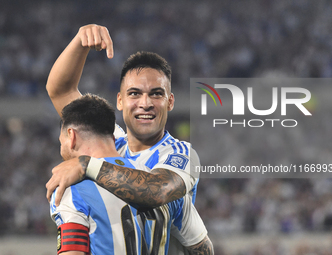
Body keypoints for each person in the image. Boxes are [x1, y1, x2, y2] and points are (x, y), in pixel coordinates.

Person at [45, 24, 213, 254]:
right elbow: (61, 91)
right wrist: (79, 43)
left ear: (170, 102)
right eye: (134, 93)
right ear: (120, 101)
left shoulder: (179, 154)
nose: (145, 103)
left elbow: (156, 192)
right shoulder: (112, 143)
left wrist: (86, 164)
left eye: (156, 93)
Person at [51, 93, 209, 255]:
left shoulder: (71, 189)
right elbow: (203, 248)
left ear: (71, 136)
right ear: (112, 137)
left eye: (60, 142)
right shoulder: (159, 180)